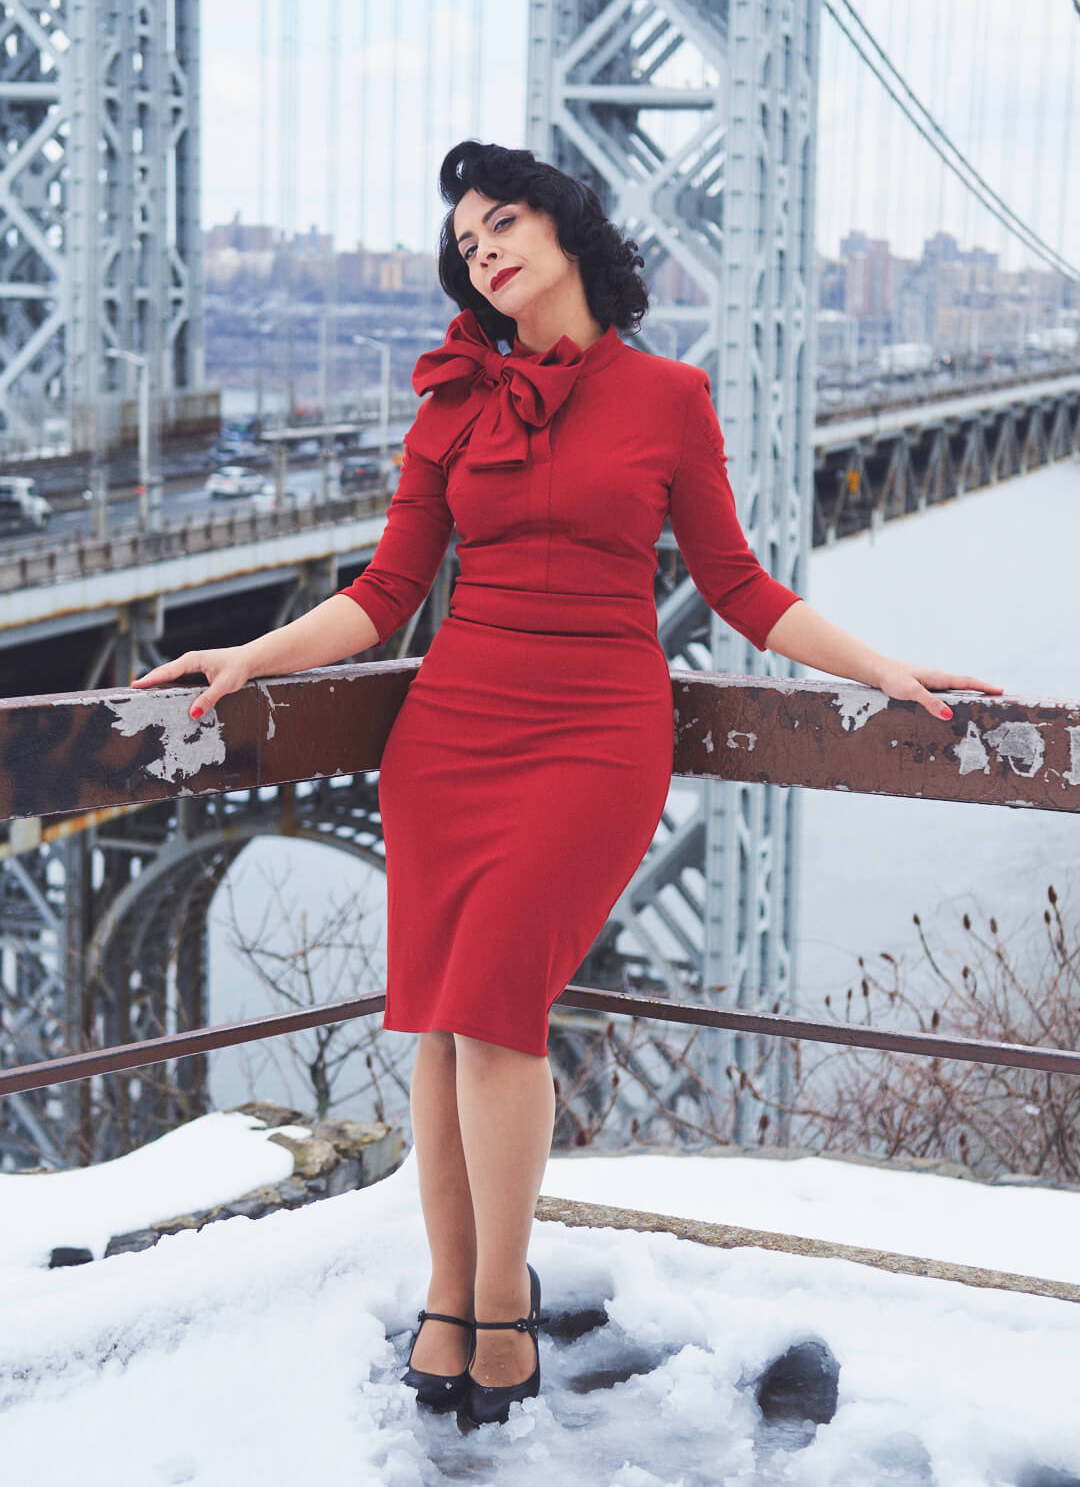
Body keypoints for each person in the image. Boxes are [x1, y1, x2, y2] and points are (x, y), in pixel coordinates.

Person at [132, 139, 1002, 1426]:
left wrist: (881, 670)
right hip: (453, 730)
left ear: (571, 230)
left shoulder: (669, 396)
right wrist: (251, 656)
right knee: (441, 1016)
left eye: (503, 221)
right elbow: (381, 599)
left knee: (496, 1009)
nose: (482, 248)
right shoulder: (449, 403)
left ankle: (496, 1305)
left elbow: (741, 588)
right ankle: (453, 1293)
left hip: (598, 731)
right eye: (465, 240)